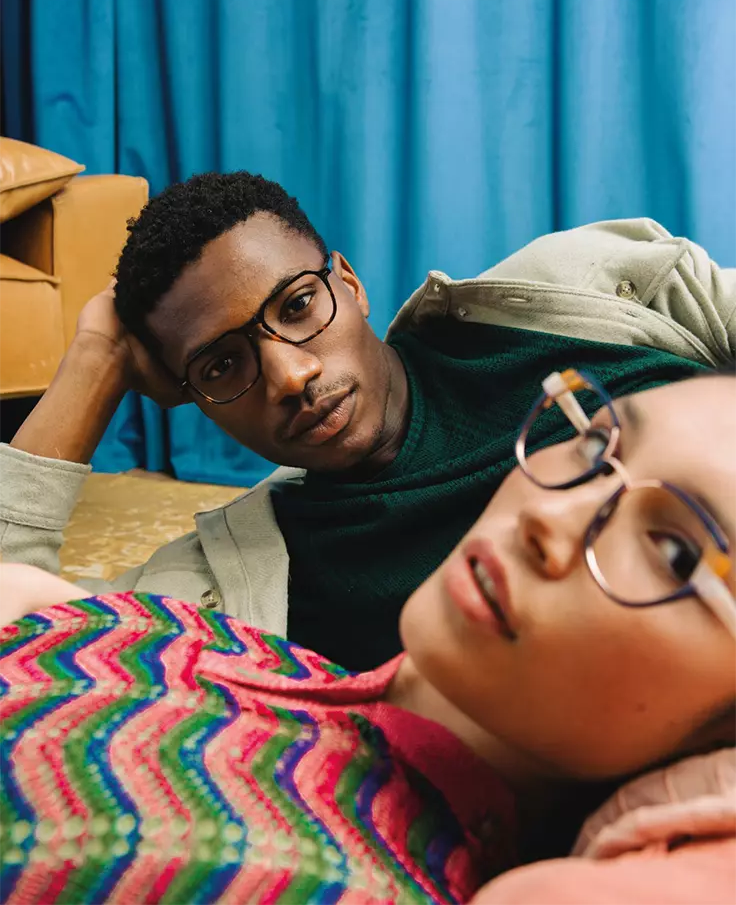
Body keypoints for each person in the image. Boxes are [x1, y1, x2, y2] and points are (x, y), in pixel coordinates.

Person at [1, 367, 736, 903]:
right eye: (594, 445)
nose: (551, 514)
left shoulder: (320, 876)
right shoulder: (229, 623)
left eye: (675, 553)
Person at [2, 172, 735, 671]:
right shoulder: (242, 578)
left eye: (297, 306)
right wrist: (95, 361)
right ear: (188, 395)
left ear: (349, 285)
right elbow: (19, 630)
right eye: (223, 366)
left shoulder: (571, 296)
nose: (291, 376)